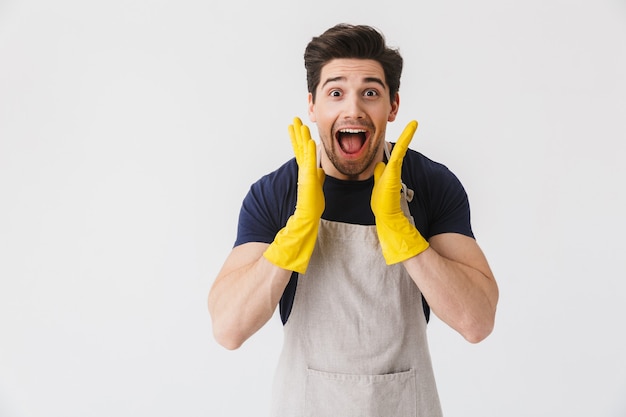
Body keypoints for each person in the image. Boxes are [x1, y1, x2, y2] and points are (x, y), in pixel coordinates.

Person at [208, 23, 499, 416]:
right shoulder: (276, 192)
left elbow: (477, 321)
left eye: (370, 92)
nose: (353, 109)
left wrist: (404, 234)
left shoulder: (430, 184)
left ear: (392, 105)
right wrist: (296, 231)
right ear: (312, 105)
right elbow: (228, 329)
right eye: (335, 92)